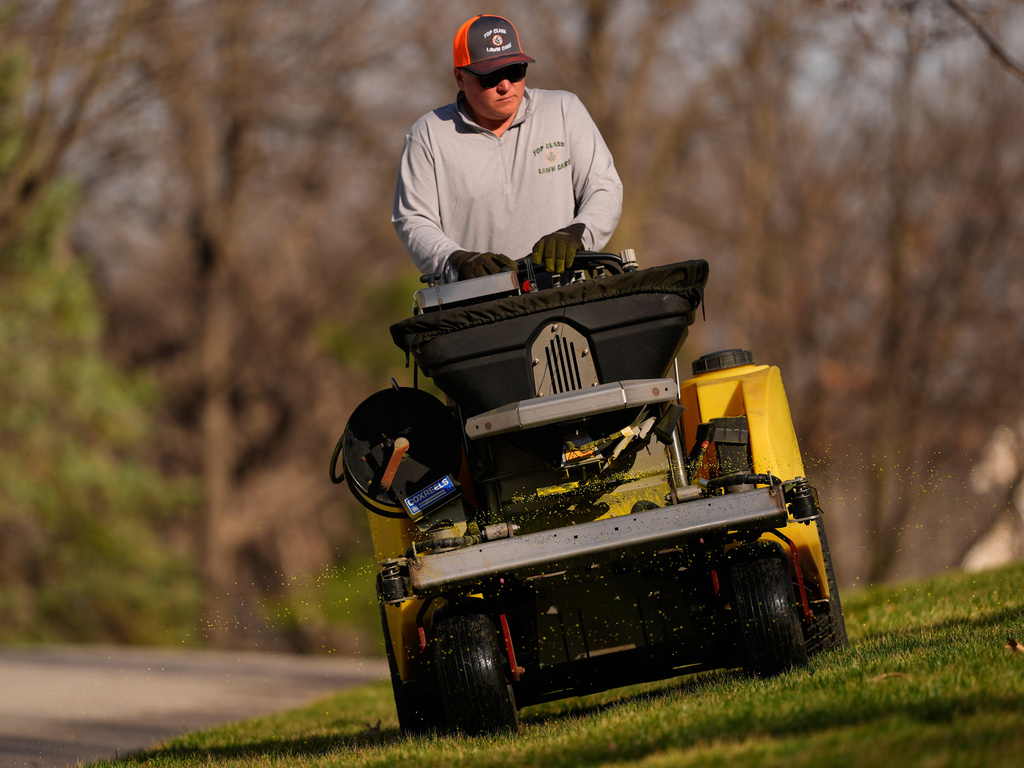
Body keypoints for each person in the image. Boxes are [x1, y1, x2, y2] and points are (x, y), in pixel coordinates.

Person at [392, 14, 622, 282]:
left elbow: (603, 187)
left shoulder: (563, 110)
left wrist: (577, 233)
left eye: (514, 71)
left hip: (567, 290)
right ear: (460, 78)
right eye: (489, 77)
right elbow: (413, 220)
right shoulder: (428, 134)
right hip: (478, 306)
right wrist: (457, 260)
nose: (505, 86)